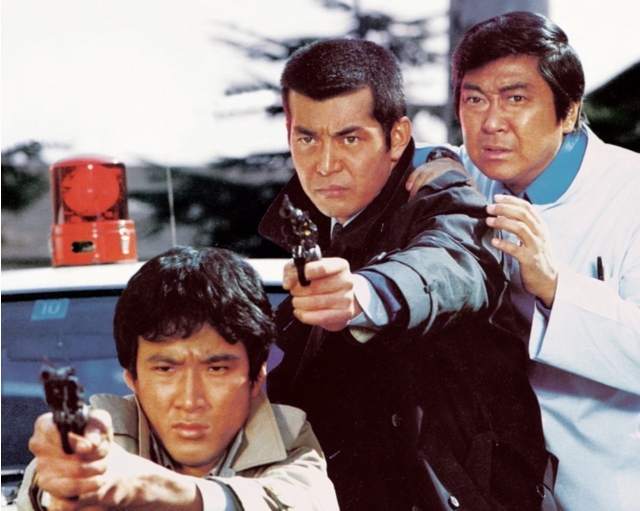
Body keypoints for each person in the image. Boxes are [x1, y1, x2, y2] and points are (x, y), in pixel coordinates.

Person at [259, 38, 551, 511]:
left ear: (396, 138)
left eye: (350, 139)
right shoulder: (315, 224)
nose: (325, 164)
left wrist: (365, 293)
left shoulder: (442, 200)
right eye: (307, 139)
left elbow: (452, 263)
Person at [410, 11, 640, 511]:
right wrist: (432, 161)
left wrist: (555, 286)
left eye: (516, 99)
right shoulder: (469, 174)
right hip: (498, 479)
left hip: (611, 481)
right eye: (475, 99)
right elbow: (415, 155)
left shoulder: (631, 193)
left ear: (568, 111)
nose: (491, 123)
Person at [16, 246, 340, 511]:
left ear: (256, 378)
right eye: (165, 370)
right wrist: (61, 483)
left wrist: (143, 486)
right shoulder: (101, 439)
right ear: (132, 379)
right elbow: (48, 487)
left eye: (216, 369)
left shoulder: (291, 442)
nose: (190, 400)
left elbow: (296, 503)